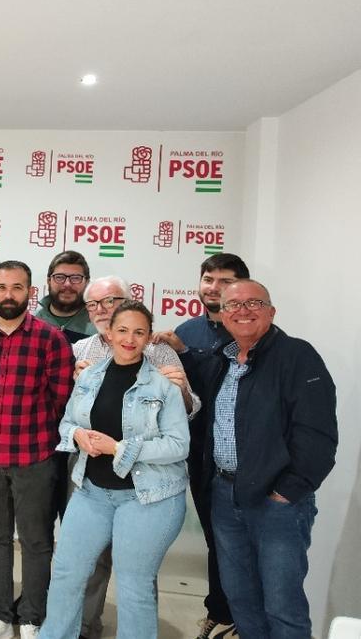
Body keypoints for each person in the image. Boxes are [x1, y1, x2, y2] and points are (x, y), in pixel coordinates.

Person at [176, 280, 337, 638]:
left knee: (282, 606)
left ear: (271, 311)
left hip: (276, 503)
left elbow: (318, 434)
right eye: (233, 305)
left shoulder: (297, 356)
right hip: (224, 495)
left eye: (254, 303)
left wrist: (287, 492)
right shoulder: (221, 359)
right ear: (222, 315)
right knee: (241, 599)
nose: (243, 311)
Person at [40, 301, 190, 638]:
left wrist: (120, 449)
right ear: (108, 334)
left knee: (134, 584)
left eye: (139, 332)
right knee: (66, 573)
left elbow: (178, 445)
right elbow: (67, 422)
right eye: (122, 330)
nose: (129, 339)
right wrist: (76, 435)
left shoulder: (163, 386)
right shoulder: (89, 376)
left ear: (149, 338)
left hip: (148, 497)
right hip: (92, 492)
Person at [0, 261, 73, 639]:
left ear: (30, 291)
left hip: (33, 458)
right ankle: (0, 615)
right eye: (2, 287)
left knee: (36, 541)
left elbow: (60, 399)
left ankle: (31, 618)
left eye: (17, 287)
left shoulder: (50, 339)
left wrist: (28, 427)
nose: (9, 295)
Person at [168, 253, 249, 639]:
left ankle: (244, 618)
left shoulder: (250, 332)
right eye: (208, 279)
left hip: (244, 458)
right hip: (200, 454)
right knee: (217, 539)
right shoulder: (186, 331)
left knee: (244, 543)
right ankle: (220, 611)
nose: (214, 287)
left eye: (224, 280)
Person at [34, 250, 97, 343]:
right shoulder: (31, 321)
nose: (67, 284)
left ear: (87, 282)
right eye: (59, 277)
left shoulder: (99, 325)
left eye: (76, 278)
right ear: (49, 281)